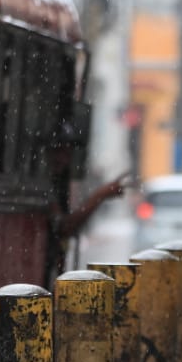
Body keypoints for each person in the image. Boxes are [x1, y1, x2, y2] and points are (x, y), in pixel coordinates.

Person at [44, 120, 129, 283]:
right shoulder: (43, 184)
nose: (64, 159)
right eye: (59, 151)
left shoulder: (54, 183)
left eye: (68, 153)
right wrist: (99, 196)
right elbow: (64, 226)